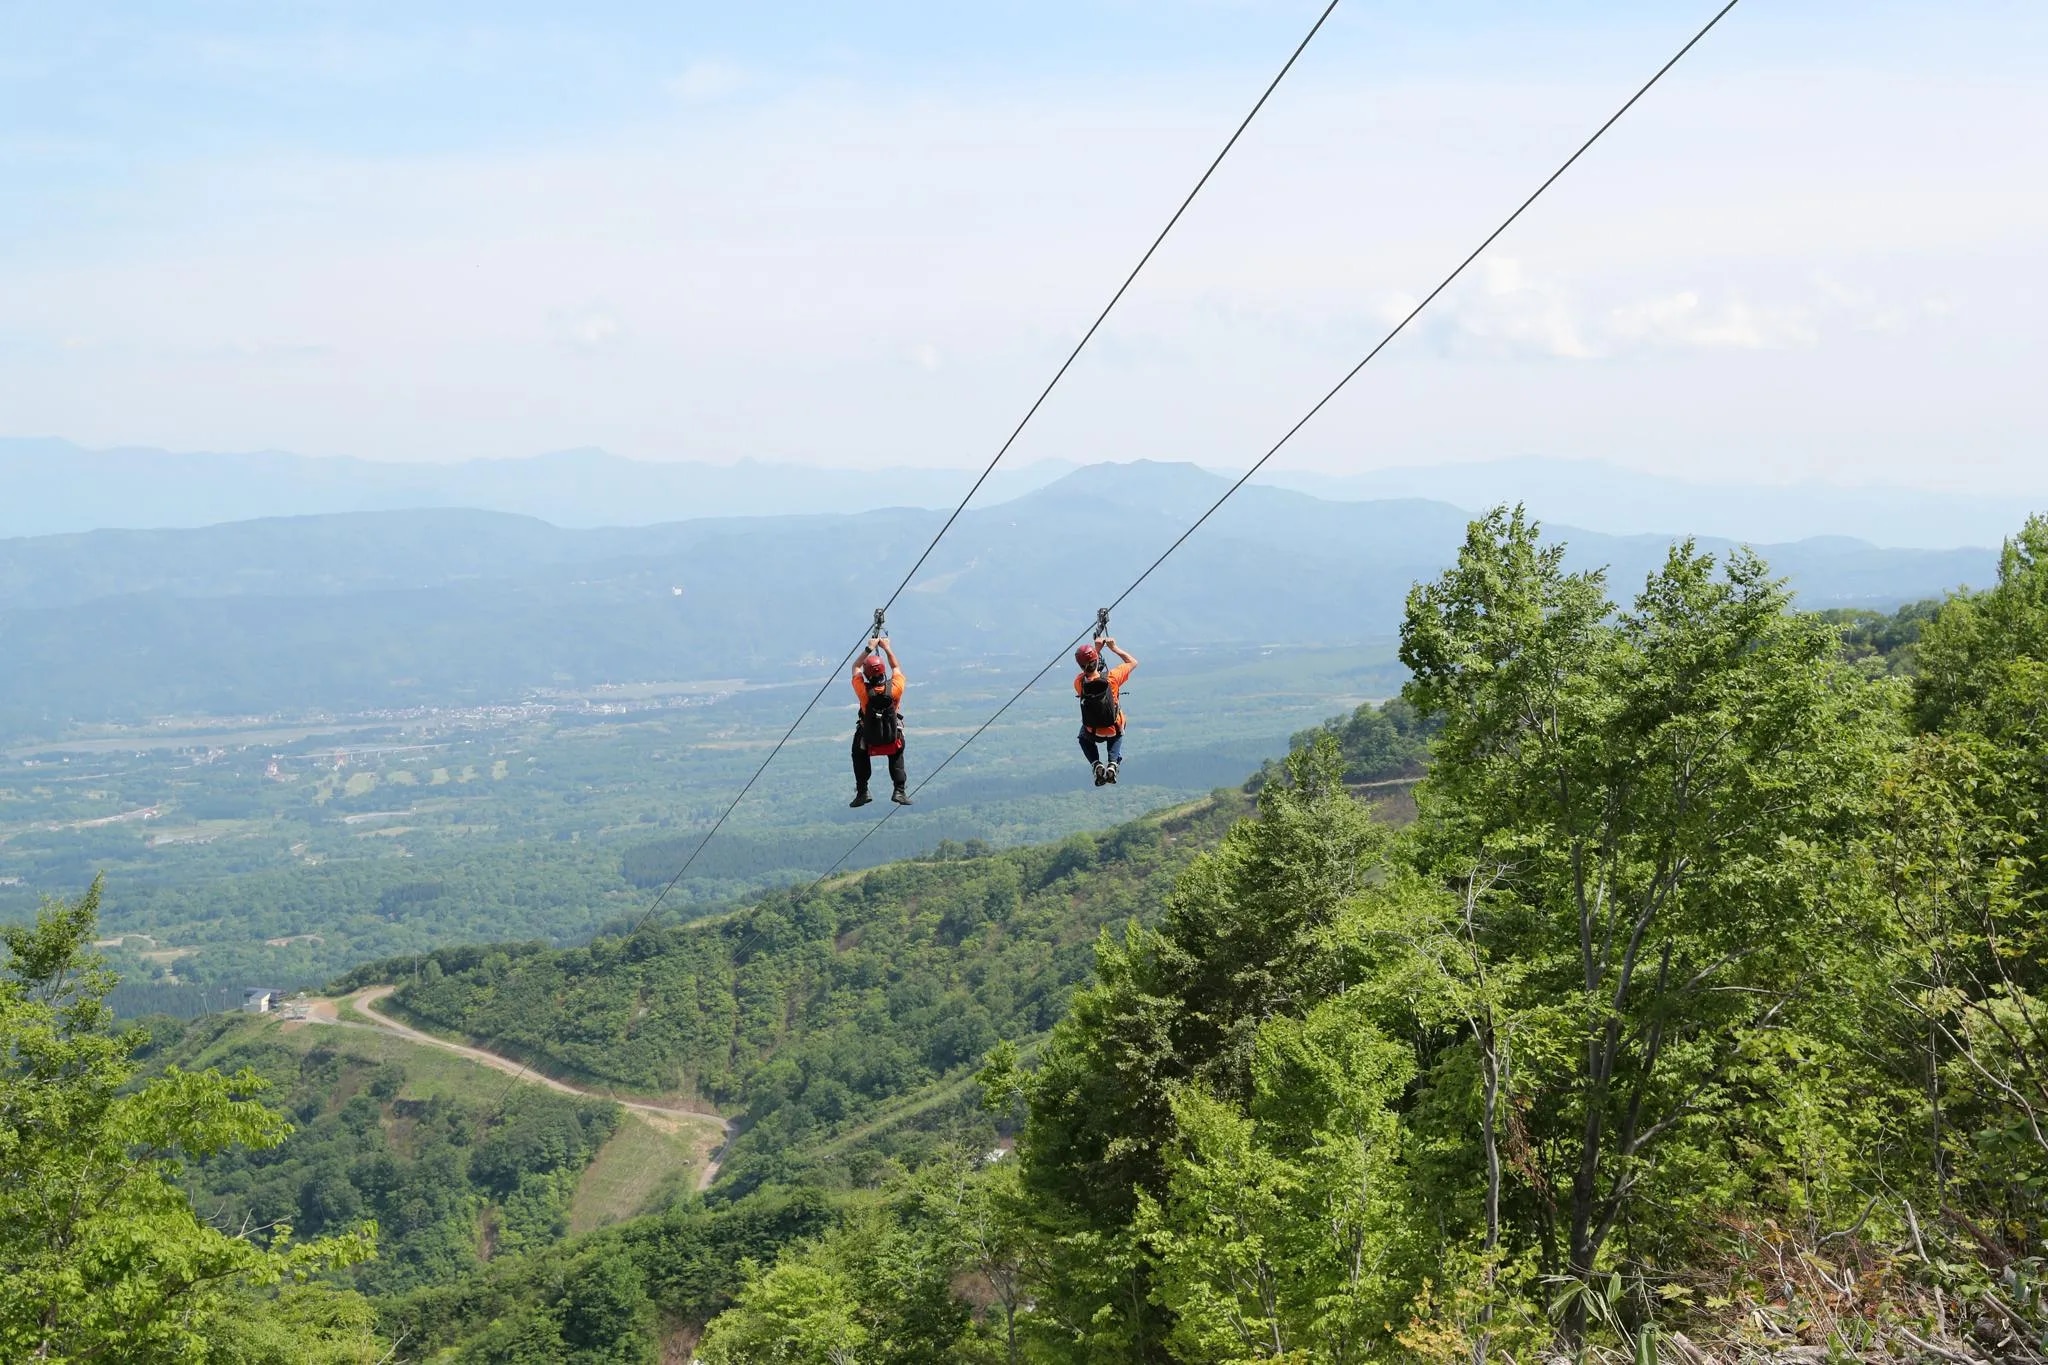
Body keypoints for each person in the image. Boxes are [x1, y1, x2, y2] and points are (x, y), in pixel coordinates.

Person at [850, 636, 910, 807]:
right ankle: (899, 790)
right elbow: (896, 667)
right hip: (892, 736)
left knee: (858, 754)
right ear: (883, 672)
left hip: (868, 738)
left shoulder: (863, 691)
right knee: (897, 753)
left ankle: (862, 792)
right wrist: (886, 647)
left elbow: (855, 667)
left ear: (867, 676)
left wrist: (869, 648)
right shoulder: (895, 689)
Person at [1073, 636, 1137, 786]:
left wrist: (1096, 649)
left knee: (1083, 737)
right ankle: (1113, 763)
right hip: (1113, 729)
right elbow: (1132, 662)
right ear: (1097, 660)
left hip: (1092, 731)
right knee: (1119, 722)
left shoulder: (1079, 683)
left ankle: (1096, 763)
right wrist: (1114, 648)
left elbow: (1088, 670)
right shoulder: (1112, 678)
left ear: (1080, 665)